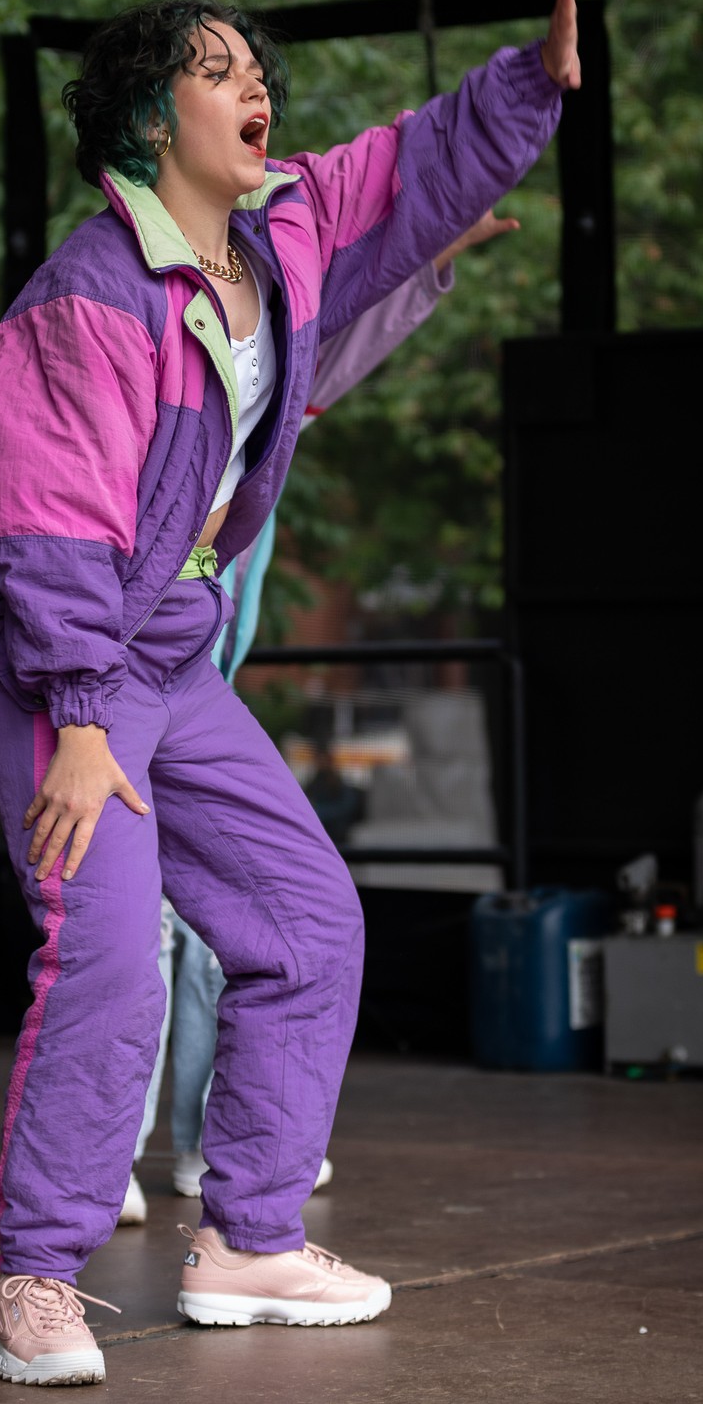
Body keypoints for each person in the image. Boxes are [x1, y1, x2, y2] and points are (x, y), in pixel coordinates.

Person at [0, 0, 579, 1386]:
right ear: (145, 117)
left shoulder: (277, 236)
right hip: (61, 658)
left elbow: (403, 166)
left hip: (169, 649)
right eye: (218, 69)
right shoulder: (84, 300)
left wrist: (526, 86)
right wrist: (80, 717)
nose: (255, 90)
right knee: (108, 953)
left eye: (257, 71)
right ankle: (34, 1280)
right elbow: (50, 522)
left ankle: (247, 1239)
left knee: (305, 921)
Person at [119, 207, 520, 1225]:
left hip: (197, 689)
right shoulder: (174, 395)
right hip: (129, 683)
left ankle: (207, 1147)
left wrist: (428, 256)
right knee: (136, 924)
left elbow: (331, 353)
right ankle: (107, 1158)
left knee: (223, 925)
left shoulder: (268, 407)